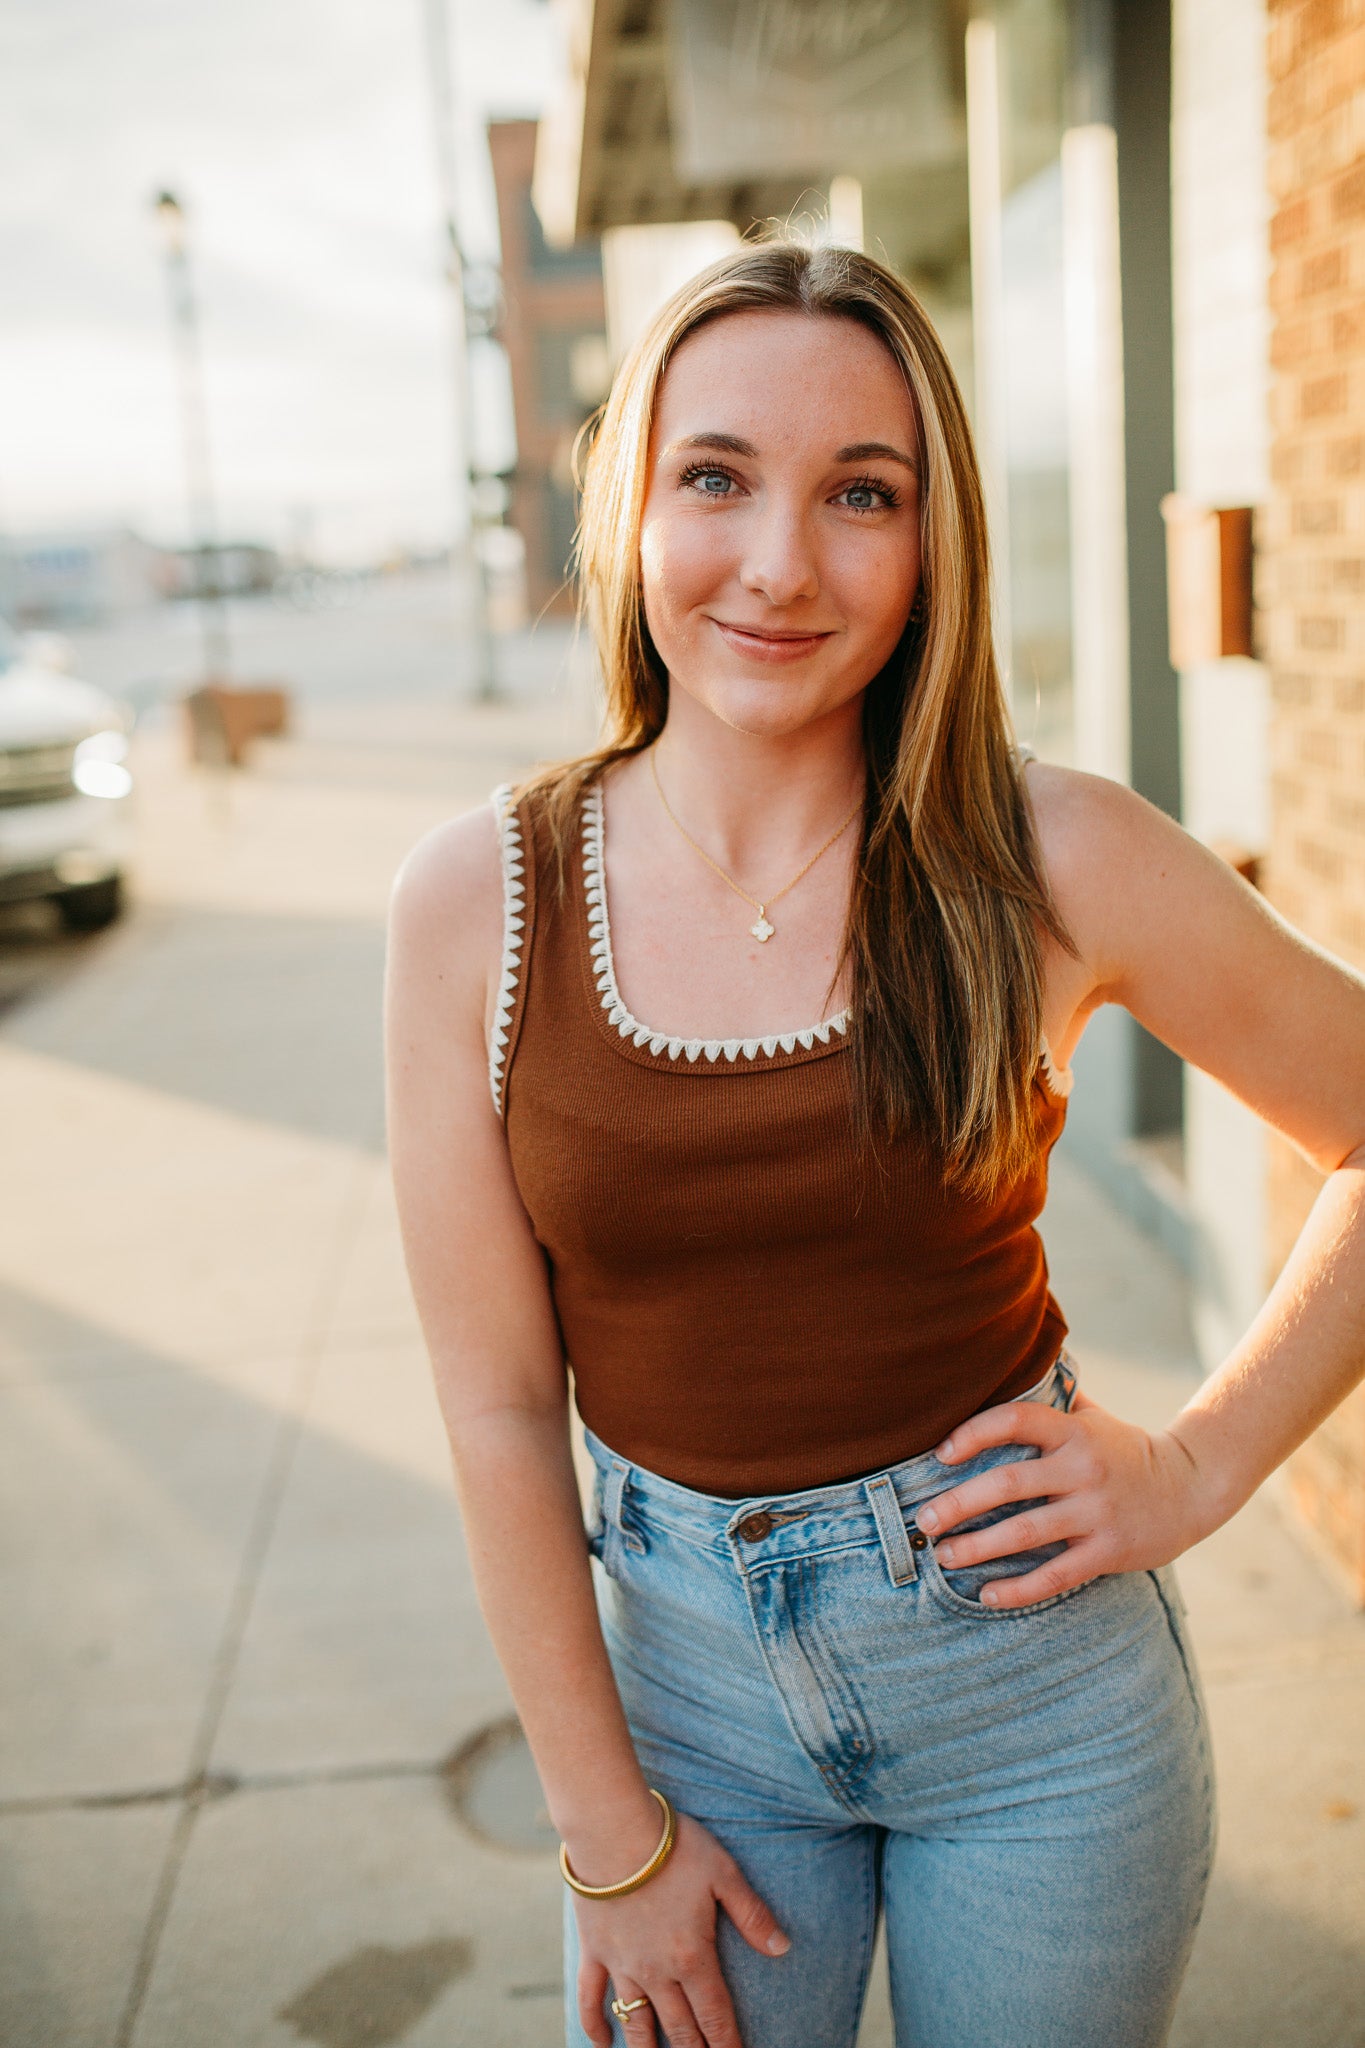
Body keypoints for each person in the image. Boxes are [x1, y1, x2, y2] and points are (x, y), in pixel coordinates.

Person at [384, 241, 1365, 2048]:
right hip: (682, 1723)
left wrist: (1201, 1468)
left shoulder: (1051, 853)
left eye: (860, 494)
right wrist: (606, 1833)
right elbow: (500, 1408)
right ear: (632, 508)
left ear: (932, 546)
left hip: (1041, 1721)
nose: (778, 564)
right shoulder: (482, 901)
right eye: (716, 477)